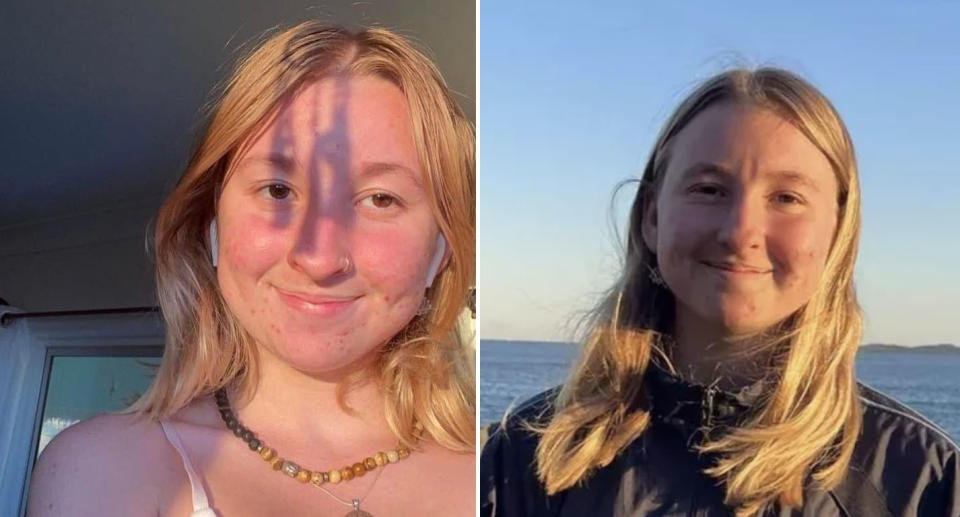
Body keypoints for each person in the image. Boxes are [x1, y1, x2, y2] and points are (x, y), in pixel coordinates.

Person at [28, 21, 475, 517]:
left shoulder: (500, 478)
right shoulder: (106, 473)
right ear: (212, 226)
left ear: (441, 251)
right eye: (278, 190)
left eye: (380, 199)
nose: (320, 257)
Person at [480, 68, 959, 517]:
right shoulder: (529, 457)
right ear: (651, 216)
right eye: (709, 190)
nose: (740, 230)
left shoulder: (923, 481)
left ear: (838, 232)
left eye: (786, 198)